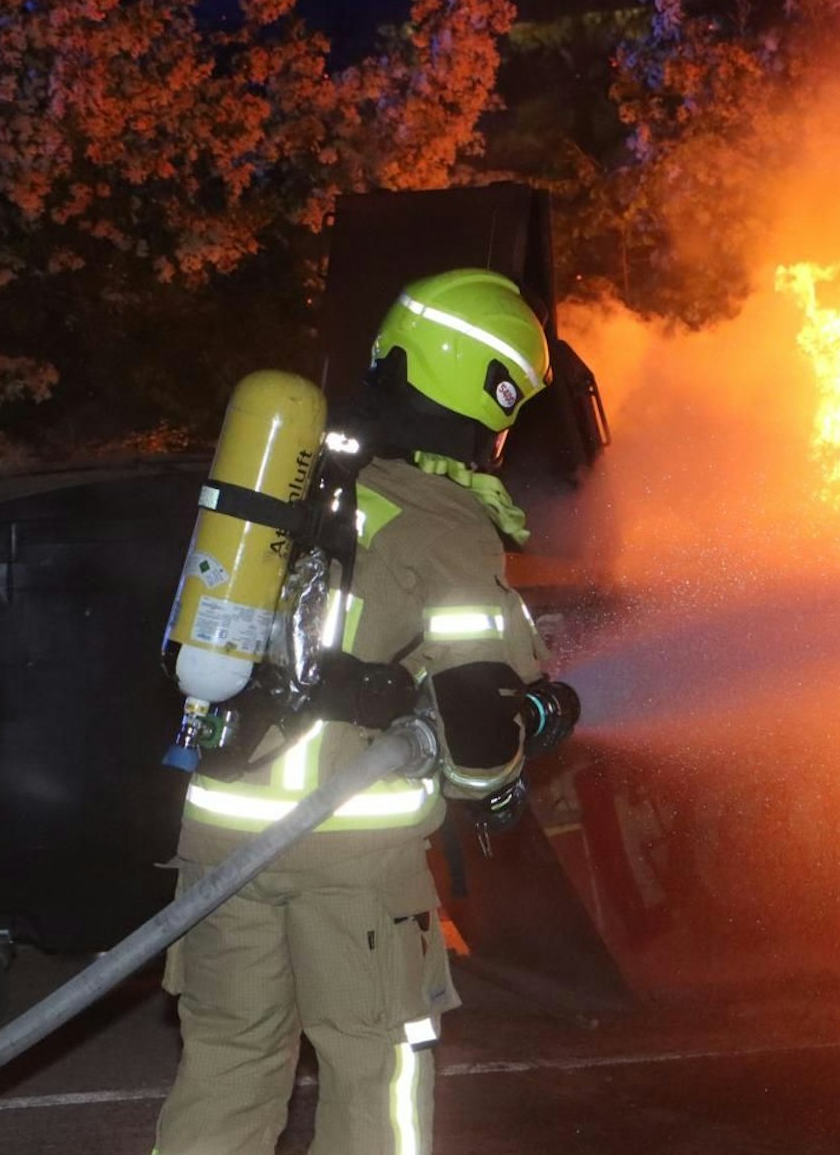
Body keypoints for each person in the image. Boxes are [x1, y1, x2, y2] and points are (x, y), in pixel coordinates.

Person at [154, 268, 580, 1155]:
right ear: (485, 392)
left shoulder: (299, 485)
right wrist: (519, 744)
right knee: (375, 1067)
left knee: (229, 1058)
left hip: (218, 832)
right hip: (350, 856)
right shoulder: (444, 520)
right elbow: (473, 732)